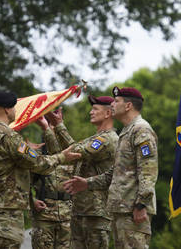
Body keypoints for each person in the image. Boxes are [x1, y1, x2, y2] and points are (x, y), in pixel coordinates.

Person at [0, 91, 81, 249]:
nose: (16, 111)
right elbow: (39, 164)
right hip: (6, 214)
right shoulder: (9, 137)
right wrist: (62, 156)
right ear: (7, 110)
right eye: (14, 108)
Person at [64, 87, 158, 249]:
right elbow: (115, 173)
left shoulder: (141, 129)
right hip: (121, 209)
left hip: (132, 209)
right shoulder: (126, 132)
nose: (112, 104)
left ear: (128, 106)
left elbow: (148, 169)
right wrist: (87, 183)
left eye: (116, 101)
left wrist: (141, 204)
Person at [46, 95, 118, 249]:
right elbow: (64, 154)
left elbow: (77, 151)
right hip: (81, 209)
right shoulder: (94, 138)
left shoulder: (108, 139)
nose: (91, 112)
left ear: (108, 113)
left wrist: (59, 125)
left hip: (97, 212)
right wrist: (49, 128)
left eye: (95, 109)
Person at [30, 116, 73, 249]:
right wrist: (32, 201)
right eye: (49, 126)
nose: (52, 130)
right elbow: (22, 183)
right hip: (44, 216)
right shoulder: (36, 154)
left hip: (68, 216)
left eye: (54, 126)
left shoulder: (71, 152)